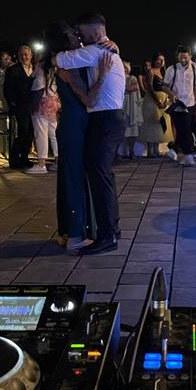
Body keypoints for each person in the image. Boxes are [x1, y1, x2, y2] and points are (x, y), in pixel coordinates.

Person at [54, 13, 125, 255]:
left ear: (95, 33)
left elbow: (61, 58)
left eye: (82, 33)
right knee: (103, 176)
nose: (80, 37)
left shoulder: (96, 52)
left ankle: (107, 235)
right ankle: (111, 230)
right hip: (107, 120)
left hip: (105, 120)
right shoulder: (104, 51)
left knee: (101, 177)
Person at [47, 22, 112, 250]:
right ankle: (75, 234)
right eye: (72, 34)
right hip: (74, 125)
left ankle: (71, 230)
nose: (77, 36)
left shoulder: (72, 57)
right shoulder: (68, 62)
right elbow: (87, 99)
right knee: (74, 179)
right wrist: (103, 74)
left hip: (75, 124)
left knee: (74, 177)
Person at [163, 46, 196, 166]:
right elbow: (164, 86)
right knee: (180, 129)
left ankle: (187, 155)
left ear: (190, 56)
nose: (183, 60)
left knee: (185, 128)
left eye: (185, 57)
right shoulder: (172, 69)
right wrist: (171, 94)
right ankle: (176, 150)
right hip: (175, 104)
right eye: (181, 57)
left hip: (190, 103)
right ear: (177, 56)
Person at [27, 51, 60, 175]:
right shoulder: (53, 69)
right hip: (53, 102)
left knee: (41, 133)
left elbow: (37, 87)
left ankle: (41, 163)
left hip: (42, 103)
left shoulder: (41, 69)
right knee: (53, 134)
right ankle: (58, 161)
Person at [4, 45, 36, 169]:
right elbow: (7, 89)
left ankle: (24, 157)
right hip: (20, 106)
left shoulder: (35, 69)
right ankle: (14, 159)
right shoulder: (13, 70)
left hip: (33, 106)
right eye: (21, 54)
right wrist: (12, 103)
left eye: (26, 54)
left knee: (31, 133)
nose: (24, 57)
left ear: (31, 55)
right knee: (23, 131)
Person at [139, 54, 172, 157]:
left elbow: (166, 87)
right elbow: (149, 87)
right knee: (151, 123)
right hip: (152, 100)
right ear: (154, 61)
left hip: (163, 99)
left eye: (163, 60)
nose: (161, 62)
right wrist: (157, 100)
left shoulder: (164, 72)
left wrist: (167, 99)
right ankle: (150, 151)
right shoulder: (151, 71)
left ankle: (156, 150)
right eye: (159, 60)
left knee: (160, 124)